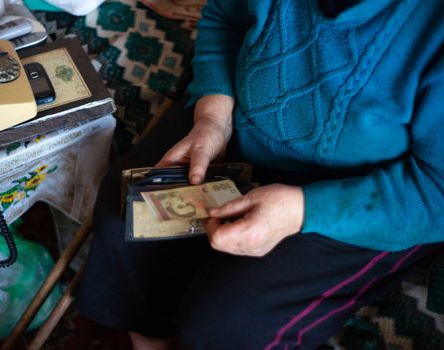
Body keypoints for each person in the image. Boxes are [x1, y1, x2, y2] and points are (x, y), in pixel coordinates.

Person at [77, 0, 444, 348]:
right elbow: (225, 16)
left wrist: (302, 211)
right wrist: (212, 117)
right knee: (125, 208)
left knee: (229, 323)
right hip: (239, 122)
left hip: (375, 196)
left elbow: (436, 194)